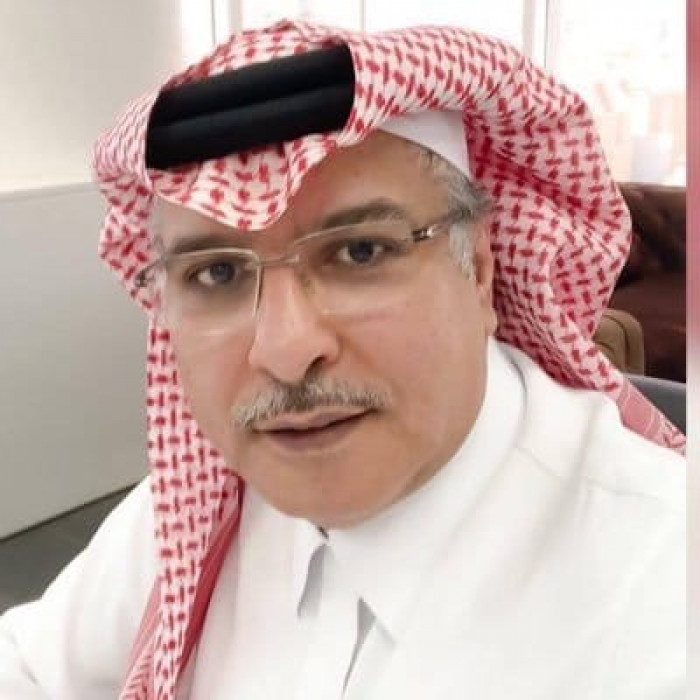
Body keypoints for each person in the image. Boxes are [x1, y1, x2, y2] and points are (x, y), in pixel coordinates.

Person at [0, 18, 685, 700]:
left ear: (478, 270)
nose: (286, 352)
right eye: (217, 273)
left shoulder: (663, 598)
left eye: (360, 252)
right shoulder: (194, 506)